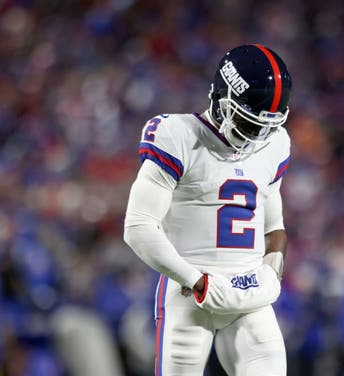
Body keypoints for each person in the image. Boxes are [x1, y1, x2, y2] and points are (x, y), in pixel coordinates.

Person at [123, 44, 292, 375]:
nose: (258, 136)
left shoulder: (275, 143)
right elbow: (138, 227)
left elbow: (274, 226)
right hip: (189, 294)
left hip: (249, 294)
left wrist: (272, 272)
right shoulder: (179, 135)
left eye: (266, 126)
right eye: (249, 123)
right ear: (220, 98)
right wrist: (196, 280)